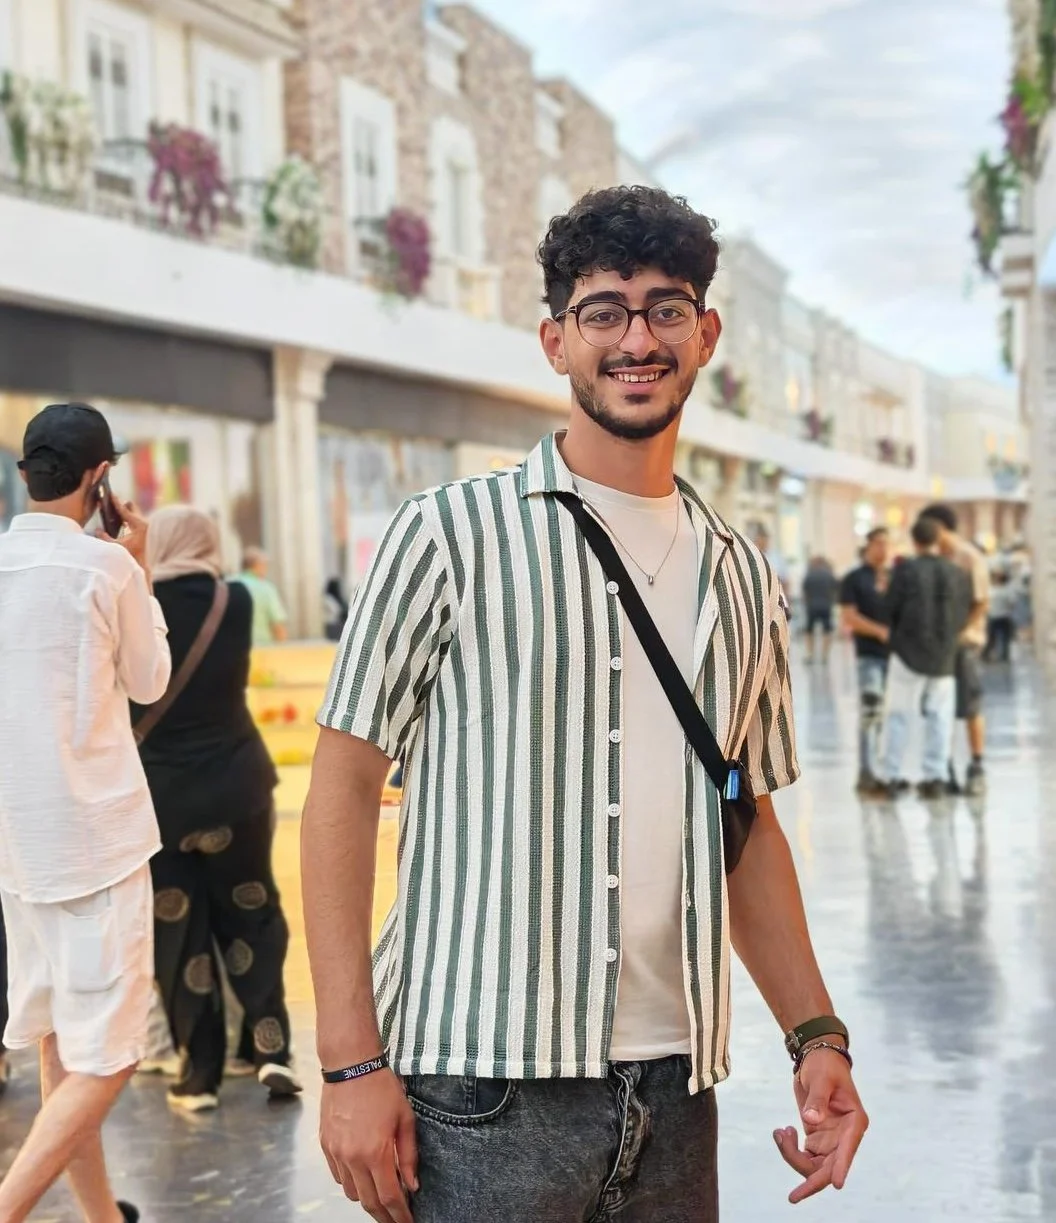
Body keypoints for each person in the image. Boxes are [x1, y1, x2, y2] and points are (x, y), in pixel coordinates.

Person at [302, 186, 867, 1223]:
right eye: (604, 310)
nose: (636, 337)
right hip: (479, 1088)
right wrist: (348, 1060)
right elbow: (341, 785)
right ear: (555, 339)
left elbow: (744, 818)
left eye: (664, 307)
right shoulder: (449, 535)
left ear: (706, 335)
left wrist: (815, 1032)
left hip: (676, 1092)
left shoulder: (744, 575)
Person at [0, 402, 171, 1223]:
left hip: (19, 846)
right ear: (100, 478)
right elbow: (148, 680)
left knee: (62, 1036)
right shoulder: (109, 572)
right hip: (97, 839)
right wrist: (134, 562)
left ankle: (103, 1217)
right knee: (109, 1054)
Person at [131, 506, 300, 1113]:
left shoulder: (137, 603)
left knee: (179, 930)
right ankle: (269, 1048)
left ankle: (198, 1074)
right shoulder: (237, 602)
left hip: (163, 803)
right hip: (238, 788)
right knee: (251, 914)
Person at [879, 517, 970, 801]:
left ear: (915, 541)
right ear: (939, 540)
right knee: (940, 718)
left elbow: (888, 610)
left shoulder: (904, 571)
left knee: (898, 716)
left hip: (907, 653)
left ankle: (892, 776)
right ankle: (936, 778)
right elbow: (963, 612)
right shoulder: (957, 573)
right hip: (944, 655)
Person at [920, 505, 990, 796]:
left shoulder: (969, 558)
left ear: (942, 526)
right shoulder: (932, 557)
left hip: (964, 644)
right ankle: (943, 766)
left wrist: (959, 632)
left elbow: (981, 602)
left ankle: (976, 766)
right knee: (938, 709)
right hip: (936, 648)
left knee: (970, 706)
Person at [838, 528, 892, 794]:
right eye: (879, 544)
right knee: (871, 713)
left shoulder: (893, 579)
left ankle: (884, 770)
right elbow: (849, 617)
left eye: (887, 544)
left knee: (888, 717)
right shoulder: (854, 580)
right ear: (868, 545)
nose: (883, 549)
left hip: (895, 659)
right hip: (870, 657)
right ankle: (867, 772)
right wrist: (880, 631)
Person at [235, 546, 289, 646]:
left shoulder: (228, 584)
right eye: (266, 565)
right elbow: (278, 625)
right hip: (262, 650)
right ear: (258, 566)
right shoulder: (266, 589)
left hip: (234, 651)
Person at [802, 555, 838, 663]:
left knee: (809, 630)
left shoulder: (809, 575)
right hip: (826, 605)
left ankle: (810, 654)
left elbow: (805, 592)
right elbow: (836, 588)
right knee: (827, 630)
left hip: (812, 606)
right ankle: (824, 655)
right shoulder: (829, 575)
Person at [984, 570, 1016, 663]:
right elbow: (1012, 603)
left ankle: (986, 654)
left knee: (991, 637)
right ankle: (1005, 656)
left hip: (992, 616)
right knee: (1005, 638)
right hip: (1004, 616)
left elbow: (985, 603)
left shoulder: (990, 590)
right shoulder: (1007, 591)